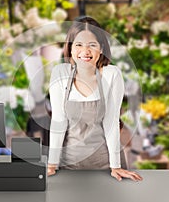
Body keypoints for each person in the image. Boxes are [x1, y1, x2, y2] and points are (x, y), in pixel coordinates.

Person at [47, 16, 142, 182]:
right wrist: (51, 164)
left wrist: (116, 166)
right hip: (69, 165)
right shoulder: (60, 73)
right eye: (79, 45)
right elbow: (58, 121)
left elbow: (111, 121)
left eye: (92, 45)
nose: (85, 51)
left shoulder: (112, 74)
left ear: (102, 48)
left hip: (106, 165)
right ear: (70, 48)